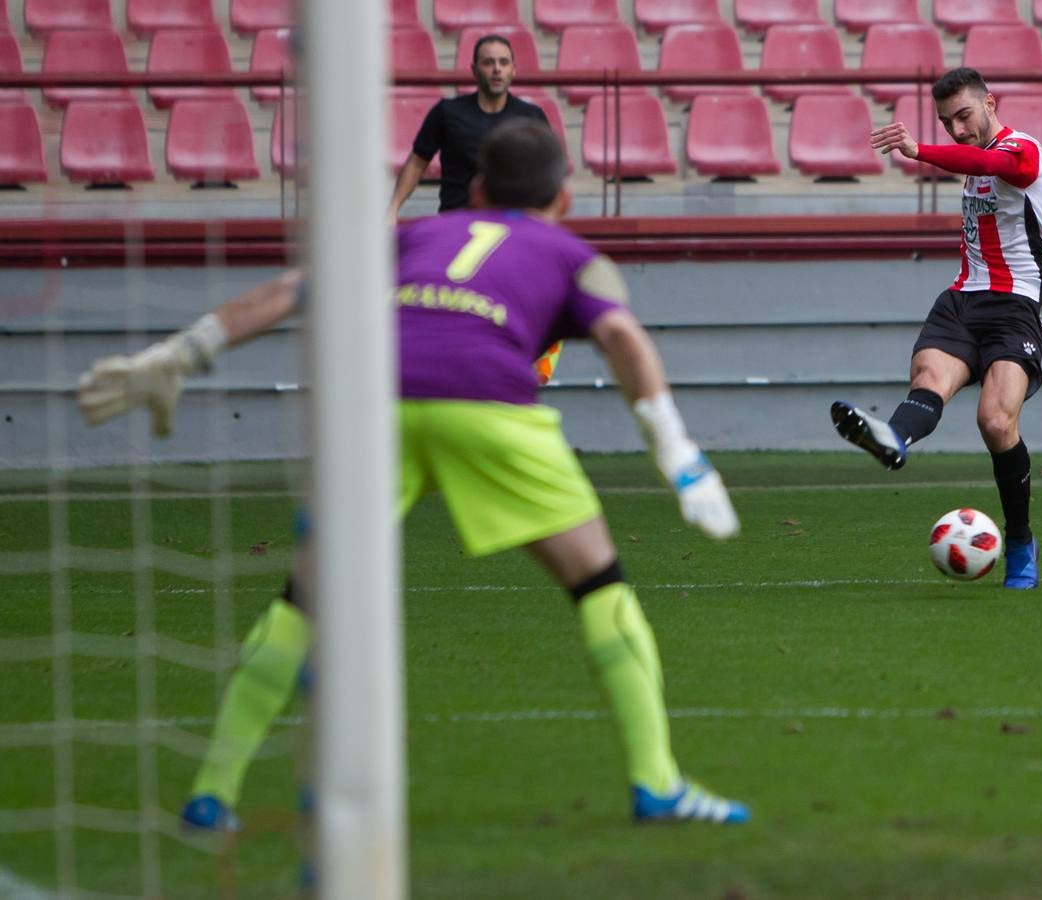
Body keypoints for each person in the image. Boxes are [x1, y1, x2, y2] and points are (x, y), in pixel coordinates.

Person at [76, 121, 753, 828]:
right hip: (491, 411)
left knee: (302, 602)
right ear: (565, 197)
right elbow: (620, 334)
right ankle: (657, 784)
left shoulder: (411, 237)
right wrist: (680, 457)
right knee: (598, 587)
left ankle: (213, 791)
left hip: (378, 411)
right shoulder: (572, 252)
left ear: (478, 189)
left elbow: (293, 288)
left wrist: (179, 354)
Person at [829, 67, 1042, 590]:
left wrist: (920, 150)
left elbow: (996, 167)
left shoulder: (1023, 148)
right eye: (947, 123)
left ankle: (1020, 541)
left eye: (964, 116)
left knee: (995, 422)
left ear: (991, 102)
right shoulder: (978, 163)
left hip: (1014, 307)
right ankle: (891, 438)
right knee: (929, 380)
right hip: (963, 300)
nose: (958, 130)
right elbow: (1029, 215)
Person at [387, 34, 549, 221]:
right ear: (474, 70)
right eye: (488, 63)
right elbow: (417, 163)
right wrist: (393, 208)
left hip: (512, 226)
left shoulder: (532, 116)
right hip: (456, 223)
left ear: (513, 70)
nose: (497, 69)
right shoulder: (446, 112)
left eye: (503, 63)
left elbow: (547, 172)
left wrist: (543, 219)